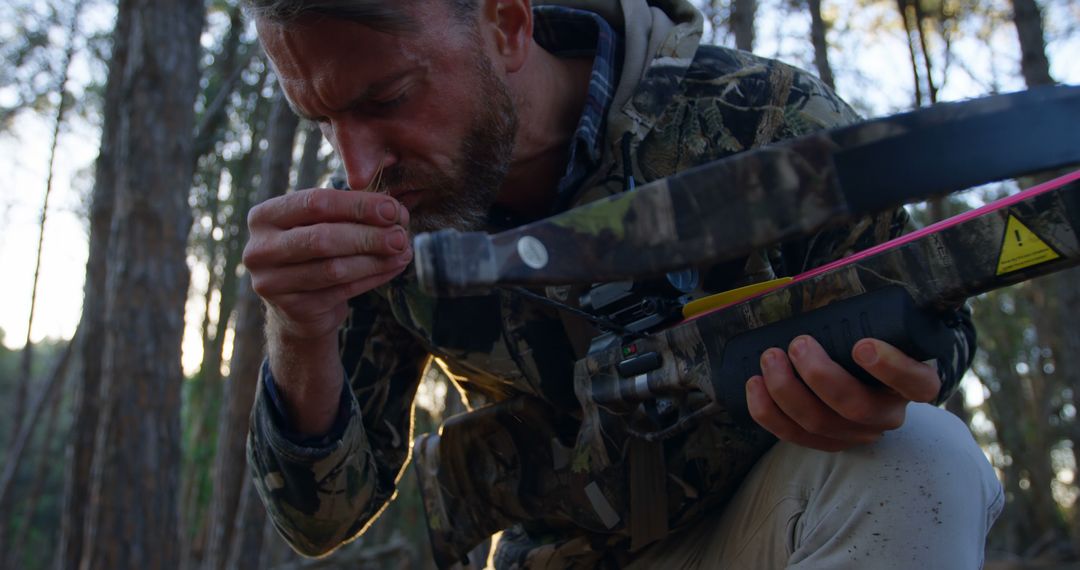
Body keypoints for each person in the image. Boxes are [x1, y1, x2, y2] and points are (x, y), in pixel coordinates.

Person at [241, 0, 1003, 567]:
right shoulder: (375, 216)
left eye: (387, 98)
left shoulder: (753, 116)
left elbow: (936, 318)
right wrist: (300, 330)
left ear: (506, 24)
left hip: (768, 526)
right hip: (561, 556)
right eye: (321, 121)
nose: (357, 163)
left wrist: (889, 377)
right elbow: (321, 522)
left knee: (920, 460)